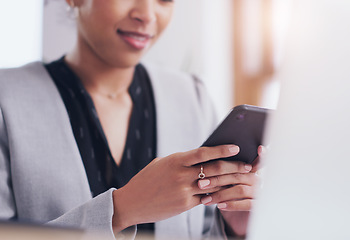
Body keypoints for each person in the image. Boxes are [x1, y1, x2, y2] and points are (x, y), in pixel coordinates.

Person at [0, 0, 261, 239]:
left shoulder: (192, 98)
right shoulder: (7, 100)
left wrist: (231, 229)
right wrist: (122, 210)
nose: (147, 15)